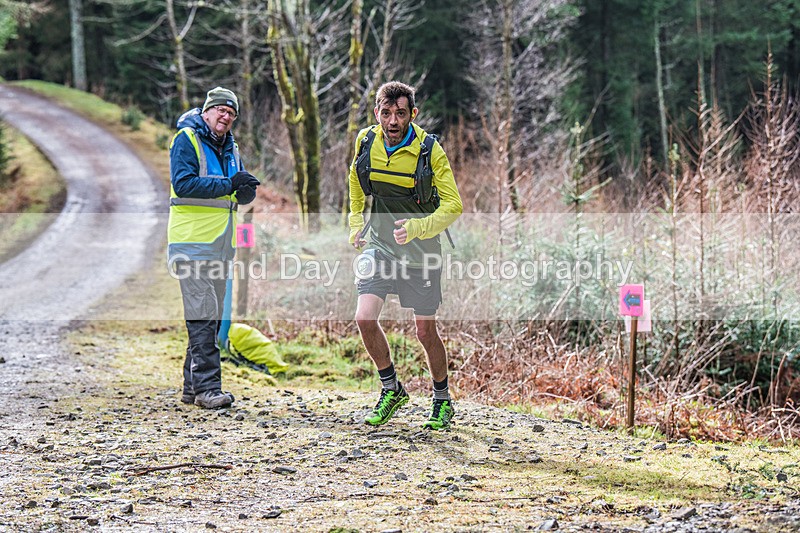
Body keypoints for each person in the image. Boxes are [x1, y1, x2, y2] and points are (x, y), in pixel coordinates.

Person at [348, 81, 463, 430]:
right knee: (364, 318)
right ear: (376, 113)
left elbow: (454, 206)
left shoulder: (430, 150)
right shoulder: (366, 141)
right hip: (380, 246)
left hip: (422, 251)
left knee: (425, 331)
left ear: (413, 114)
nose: (393, 120)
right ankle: (391, 388)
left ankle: (442, 400)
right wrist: (355, 221)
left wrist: (417, 228)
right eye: (386, 113)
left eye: (400, 113)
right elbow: (355, 180)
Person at [168, 86, 260, 409]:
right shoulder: (186, 140)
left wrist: (244, 192)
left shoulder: (231, 149)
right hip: (191, 243)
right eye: (221, 110)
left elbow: (232, 193)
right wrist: (229, 185)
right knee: (203, 313)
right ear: (206, 112)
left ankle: (192, 387)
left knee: (209, 317)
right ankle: (208, 389)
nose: (226, 116)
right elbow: (184, 183)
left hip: (221, 246)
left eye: (231, 113)